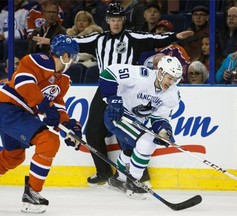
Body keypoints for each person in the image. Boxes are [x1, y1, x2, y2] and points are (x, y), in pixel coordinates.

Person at [73, 2, 193, 187]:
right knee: (92, 132)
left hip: (128, 90)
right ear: (107, 21)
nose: (115, 23)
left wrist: (175, 37)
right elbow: (76, 43)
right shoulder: (98, 39)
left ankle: (140, 176)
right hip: (106, 87)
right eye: (112, 19)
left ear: (123, 20)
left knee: (130, 131)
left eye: (119, 19)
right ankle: (104, 172)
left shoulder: (132, 37)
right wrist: (52, 43)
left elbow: (154, 38)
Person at [0, 34, 82, 213]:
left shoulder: (63, 80)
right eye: (73, 57)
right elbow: (23, 82)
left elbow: (58, 106)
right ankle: (32, 193)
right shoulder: (38, 60)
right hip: (8, 108)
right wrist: (43, 103)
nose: (74, 61)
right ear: (66, 55)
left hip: (21, 115)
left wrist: (69, 127)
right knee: (49, 141)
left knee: (14, 156)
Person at [99, 56, 182, 198]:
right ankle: (134, 181)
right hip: (117, 116)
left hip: (136, 121)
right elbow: (108, 73)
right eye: (170, 78)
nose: (172, 82)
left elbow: (159, 118)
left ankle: (118, 180)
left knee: (130, 150)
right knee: (146, 143)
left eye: (175, 79)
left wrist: (163, 131)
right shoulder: (140, 75)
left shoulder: (172, 95)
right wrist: (113, 99)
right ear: (161, 72)